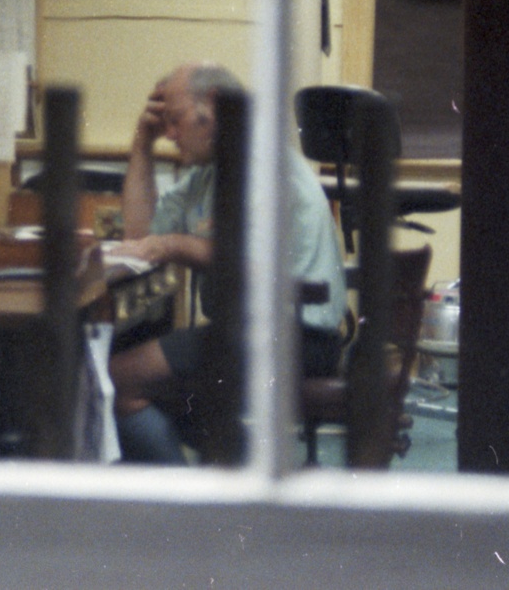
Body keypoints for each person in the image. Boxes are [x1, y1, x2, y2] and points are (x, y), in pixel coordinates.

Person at [107, 62, 348, 464]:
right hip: (250, 333)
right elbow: (140, 237)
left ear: (215, 104)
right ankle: (237, 482)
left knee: (120, 379)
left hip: (297, 336)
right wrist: (140, 144)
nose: (170, 134)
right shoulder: (209, 175)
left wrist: (175, 245)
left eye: (175, 120)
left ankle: (190, 510)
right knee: (157, 388)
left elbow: (250, 265)